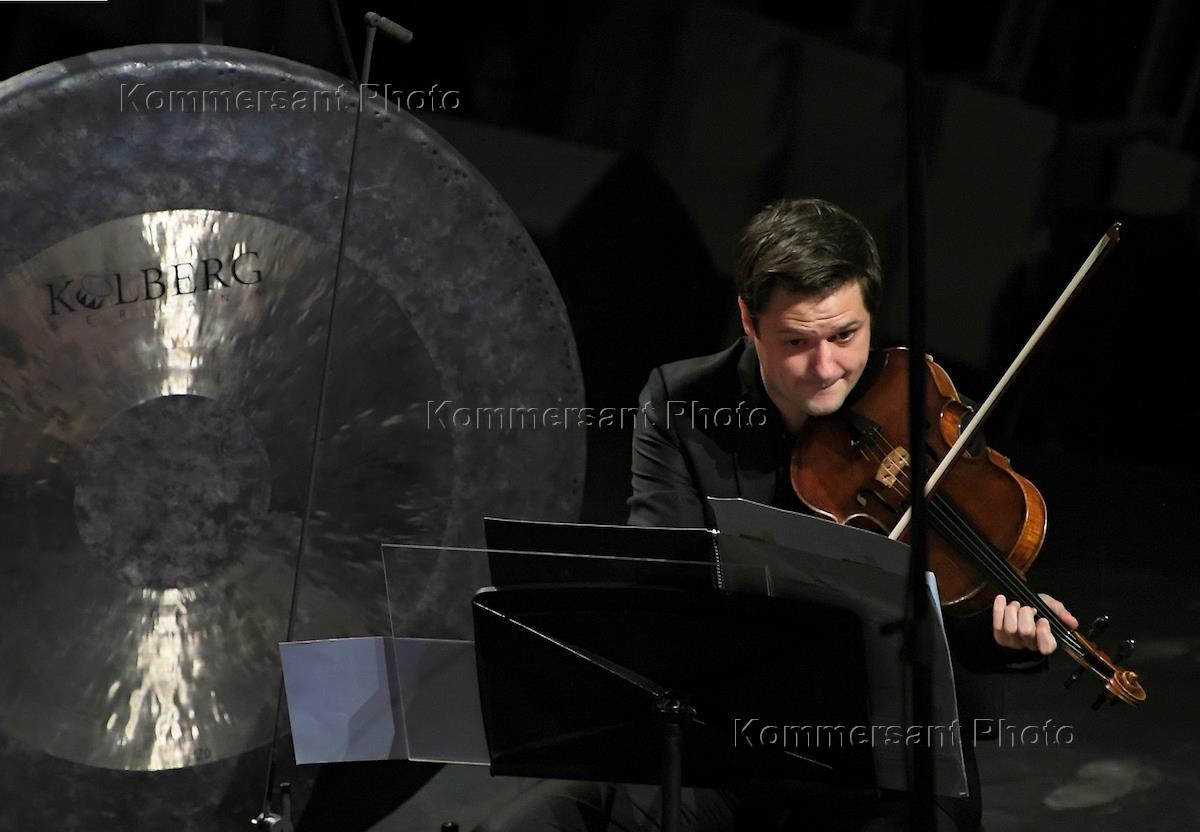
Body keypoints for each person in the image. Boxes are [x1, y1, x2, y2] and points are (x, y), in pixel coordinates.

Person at [622, 196, 1077, 830]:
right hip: (735, 742)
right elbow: (662, 578)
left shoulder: (914, 403)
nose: (826, 368)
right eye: (796, 342)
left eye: (845, 335)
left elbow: (950, 614)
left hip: (886, 757)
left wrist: (1000, 633)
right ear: (749, 321)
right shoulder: (681, 404)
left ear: (870, 315)